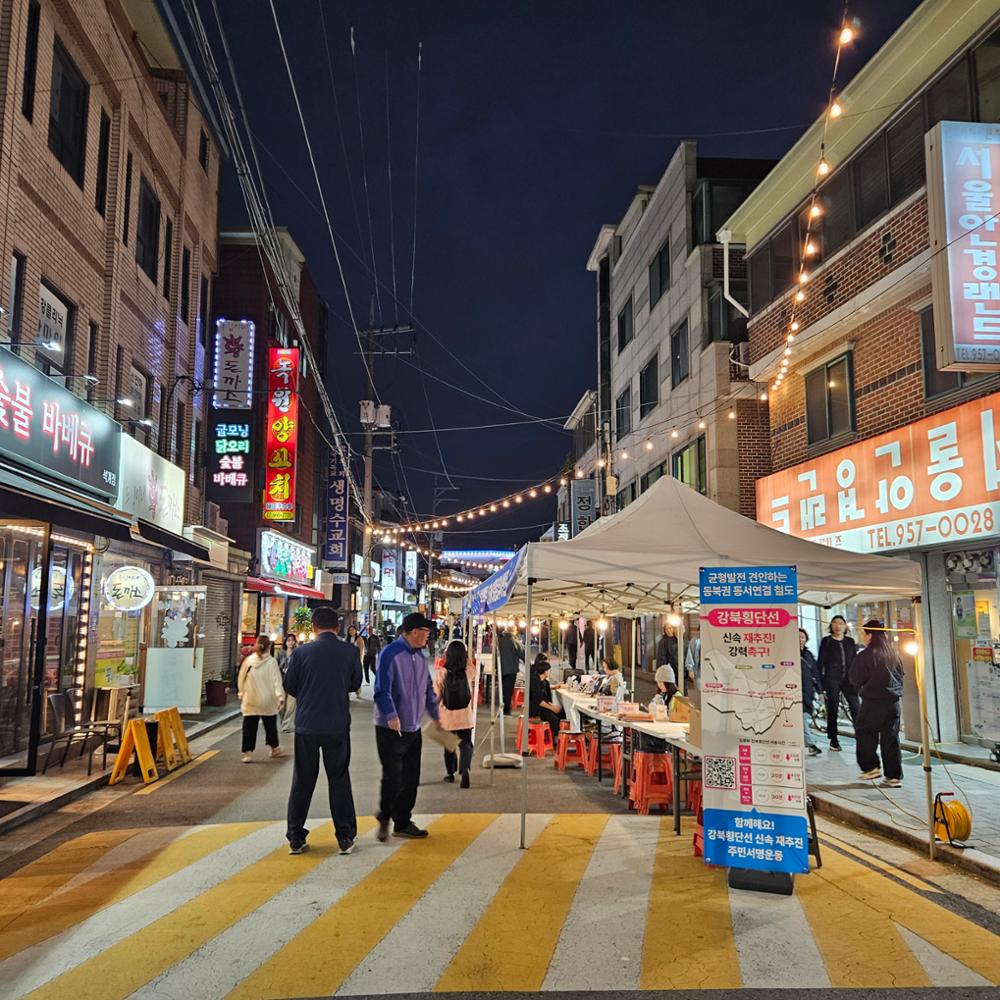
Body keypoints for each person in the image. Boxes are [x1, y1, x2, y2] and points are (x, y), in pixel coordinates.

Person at [283, 606, 362, 856]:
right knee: (339, 778)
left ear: (314, 627)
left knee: (303, 779)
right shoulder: (349, 651)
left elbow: (290, 687)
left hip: (307, 724)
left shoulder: (300, 653)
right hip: (337, 723)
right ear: (337, 627)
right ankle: (345, 837)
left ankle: (296, 837)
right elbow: (355, 683)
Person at [373, 612, 441, 841]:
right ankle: (384, 817)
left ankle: (402, 822)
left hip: (413, 728)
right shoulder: (390, 654)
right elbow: (381, 688)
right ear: (414, 632)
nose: (428, 637)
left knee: (411, 778)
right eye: (426, 632)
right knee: (393, 776)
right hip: (390, 728)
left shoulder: (420, 658)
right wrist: (391, 714)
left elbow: (428, 689)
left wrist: (435, 714)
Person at [849, 619, 904, 786]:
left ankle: (871, 767)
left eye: (864, 634)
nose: (863, 637)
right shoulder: (894, 654)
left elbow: (855, 677)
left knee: (865, 732)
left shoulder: (865, 655)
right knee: (891, 738)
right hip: (893, 703)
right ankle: (893, 777)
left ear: (870, 635)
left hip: (873, 701)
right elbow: (902, 674)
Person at [435, 640, 476, 788]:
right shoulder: (468, 672)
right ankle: (464, 769)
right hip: (465, 717)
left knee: (449, 746)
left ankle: (450, 774)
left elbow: (436, 695)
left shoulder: (441, 672)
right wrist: (467, 657)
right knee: (465, 745)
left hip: (448, 717)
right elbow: (473, 668)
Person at [238, 635, 285, 763]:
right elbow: (277, 681)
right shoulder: (271, 662)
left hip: (251, 699)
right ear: (269, 647)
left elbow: (241, 678)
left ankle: (247, 753)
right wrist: (280, 696)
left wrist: (241, 692)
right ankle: (274, 748)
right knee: (270, 725)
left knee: (249, 726)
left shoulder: (248, 661)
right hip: (268, 700)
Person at [818, 615, 860, 750]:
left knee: (856, 707)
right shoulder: (826, 641)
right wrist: (821, 684)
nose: (837, 626)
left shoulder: (850, 642)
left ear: (845, 626)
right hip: (832, 679)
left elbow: (855, 661)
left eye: (841, 623)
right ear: (831, 626)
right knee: (833, 708)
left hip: (849, 680)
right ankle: (833, 739)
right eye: (835, 623)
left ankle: (861, 736)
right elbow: (820, 662)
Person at [529, 660, 564, 745]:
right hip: (535, 708)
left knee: (562, 713)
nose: (550, 672)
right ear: (545, 672)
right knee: (554, 719)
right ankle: (552, 740)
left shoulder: (545, 682)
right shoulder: (534, 681)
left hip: (544, 706)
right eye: (549, 671)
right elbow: (539, 701)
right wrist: (553, 708)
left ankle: (558, 735)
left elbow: (546, 699)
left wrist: (554, 707)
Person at [799, 629, 822, 757]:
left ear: (806, 639)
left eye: (802, 637)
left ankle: (807, 743)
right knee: (802, 719)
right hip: (794, 692)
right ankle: (811, 744)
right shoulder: (787, 654)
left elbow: (815, 674)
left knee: (804, 719)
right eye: (796, 637)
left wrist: (819, 691)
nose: (799, 639)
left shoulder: (809, 655)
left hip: (808, 691)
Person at [497, 625, 524, 715]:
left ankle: (502, 707)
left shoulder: (499, 641)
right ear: (514, 631)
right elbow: (522, 654)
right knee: (508, 691)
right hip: (511, 669)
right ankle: (506, 710)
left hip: (501, 669)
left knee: (503, 690)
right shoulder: (514, 641)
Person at [276, 634, 299, 732]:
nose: (291, 642)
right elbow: (275, 666)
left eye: (293, 640)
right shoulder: (280, 653)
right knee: (281, 705)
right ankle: (283, 721)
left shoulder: (298, 653)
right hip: (281, 680)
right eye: (289, 640)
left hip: (293, 681)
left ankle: (286, 726)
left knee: (291, 705)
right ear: (285, 642)